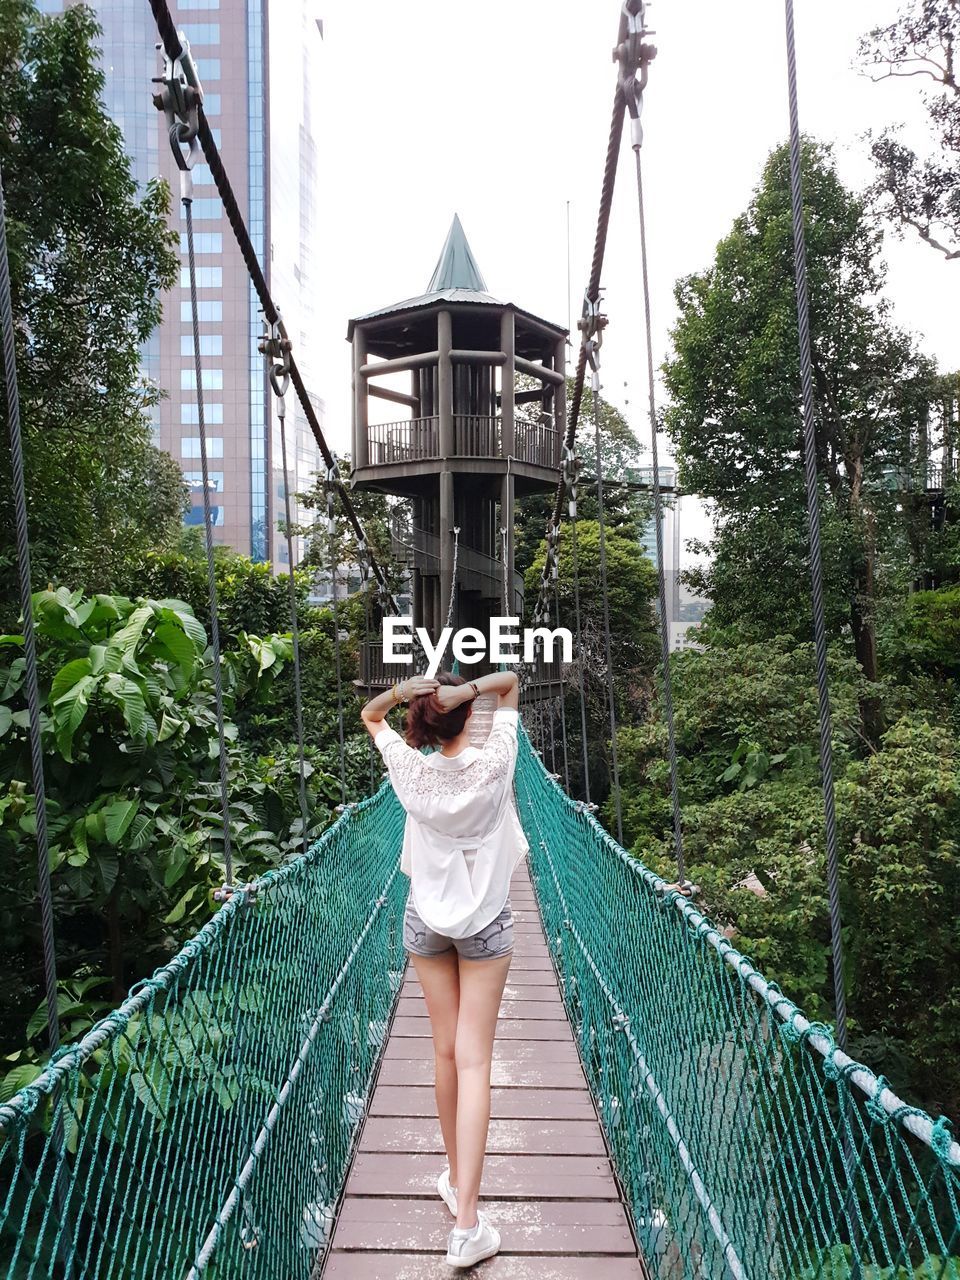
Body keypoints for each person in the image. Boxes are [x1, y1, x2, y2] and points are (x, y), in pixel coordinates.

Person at [361, 668, 527, 1269]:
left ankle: (457, 1179)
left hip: (425, 922)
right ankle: (466, 1225)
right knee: (476, 1057)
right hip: (487, 923)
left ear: (422, 724)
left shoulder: (409, 772)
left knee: (444, 1053)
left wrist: (407, 691)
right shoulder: (496, 763)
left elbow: (370, 716)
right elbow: (510, 684)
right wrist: (471, 691)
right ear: (463, 715)